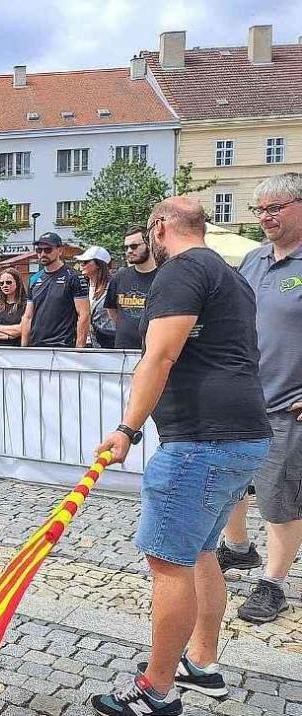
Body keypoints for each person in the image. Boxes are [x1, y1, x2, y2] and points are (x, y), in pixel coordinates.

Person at [91, 197, 271, 716]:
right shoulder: (229, 275)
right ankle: (203, 663)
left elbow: (161, 353)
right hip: (240, 434)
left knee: (169, 561)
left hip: (200, 439)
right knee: (200, 553)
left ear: (161, 227)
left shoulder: (179, 271)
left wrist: (128, 427)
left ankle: (157, 688)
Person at [217, 173, 302, 625]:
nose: (266, 217)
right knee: (231, 483)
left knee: (278, 498)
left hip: (290, 406)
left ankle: (274, 584)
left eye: (275, 208)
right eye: (260, 210)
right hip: (244, 399)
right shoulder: (251, 260)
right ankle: (238, 548)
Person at [21, 232, 90, 348]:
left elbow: (84, 315)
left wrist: (79, 350)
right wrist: (24, 347)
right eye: (39, 250)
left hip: (62, 346)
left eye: (48, 250)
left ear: (60, 250)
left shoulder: (74, 277)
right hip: (36, 345)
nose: (42, 254)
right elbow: (27, 316)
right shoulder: (34, 279)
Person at [105, 226, 158, 350]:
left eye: (134, 246)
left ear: (149, 244)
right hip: (122, 348)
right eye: (126, 247)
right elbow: (111, 309)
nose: (129, 250)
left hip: (152, 349)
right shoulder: (119, 277)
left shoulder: (163, 276)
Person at [74, 246, 116, 348]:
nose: (82, 265)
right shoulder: (82, 286)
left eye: (86, 262)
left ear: (98, 264)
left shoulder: (113, 286)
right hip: (87, 342)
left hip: (108, 343)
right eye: (81, 262)